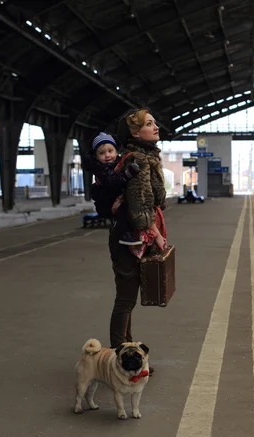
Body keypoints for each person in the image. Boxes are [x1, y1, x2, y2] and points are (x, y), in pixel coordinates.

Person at [108, 108, 168, 360]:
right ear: (135, 132)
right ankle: (119, 356)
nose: (156, 127)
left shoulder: (144, 157)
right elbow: (140, 205)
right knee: (125, 299)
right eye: (149, 124)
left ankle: (126, 351)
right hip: (129, 239)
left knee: (128, 298)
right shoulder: (139, 160)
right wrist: (155, 234)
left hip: (130, 236)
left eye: (155, 123)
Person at [82, 132, 142, 245]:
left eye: (110, 151)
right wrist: (128, 174)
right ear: (96, 156)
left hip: (113, 197)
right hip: (106, 202)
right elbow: (112, 181)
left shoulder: (119, 163)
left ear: (116, 151)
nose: (107, 155)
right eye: (102, 153)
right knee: (122, 210)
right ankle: (125, 235)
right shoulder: (100, 169)